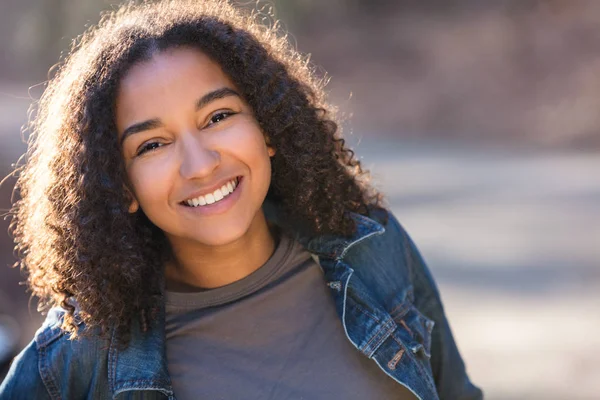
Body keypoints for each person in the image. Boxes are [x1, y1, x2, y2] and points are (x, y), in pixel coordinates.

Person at [0, 1, 482, 399]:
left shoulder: (371, 251)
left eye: (218, 116)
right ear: (120, 187)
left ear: (267, 128)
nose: (200, 164)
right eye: (152, 145)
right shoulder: (78, 357)